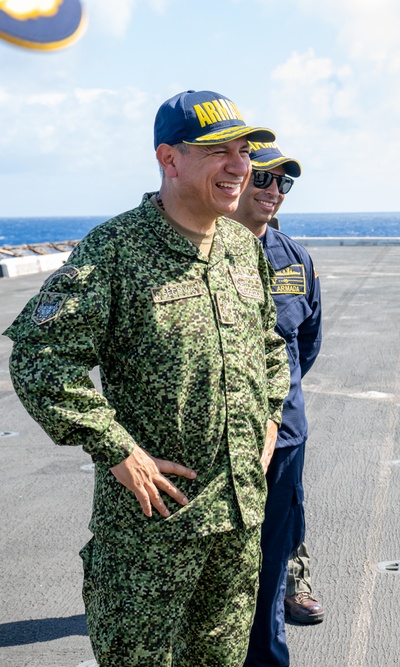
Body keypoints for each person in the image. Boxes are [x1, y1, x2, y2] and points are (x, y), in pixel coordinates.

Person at [3, 90, 291, 666]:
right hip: (151, 531)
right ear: (169, 159)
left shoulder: (240, 245)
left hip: (236, 520)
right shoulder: (115, 250)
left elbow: (269, 343)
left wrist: (268, 419)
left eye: (244, 151)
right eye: (219, 151)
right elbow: (39, 357)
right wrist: (117, 449)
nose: (241, 166)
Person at [231, 142, 324, 666]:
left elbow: (305, 343)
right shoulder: (208, 253)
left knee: (272, 556)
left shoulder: (295, 259)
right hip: (216, 440)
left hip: (283, 434)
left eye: (283, 184)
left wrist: (272, 404)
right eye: (264, 178)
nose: (273, 192)